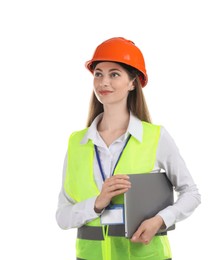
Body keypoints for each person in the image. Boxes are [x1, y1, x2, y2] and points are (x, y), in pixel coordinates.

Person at [56, 37, 201, 260]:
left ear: (133, 82)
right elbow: (63, 217)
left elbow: (191, 193)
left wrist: (161, 220)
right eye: (98, 73)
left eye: (114, 74)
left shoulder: (155, 137)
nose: (104, 82)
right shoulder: (77, 143)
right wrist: (96, 204)